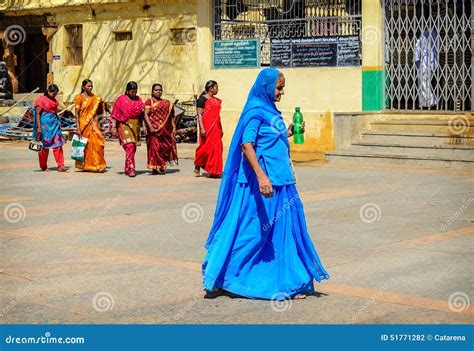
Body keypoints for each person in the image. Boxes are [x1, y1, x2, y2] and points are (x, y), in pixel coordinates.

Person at [202, 68, 329, 300]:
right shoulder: (255, 112)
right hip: (261, 187)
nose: (281, 93)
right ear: (266, 87)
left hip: (281, 182)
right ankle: (228, 277)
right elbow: (247, 145)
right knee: (252, 234)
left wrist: (289, 132)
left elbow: (270, 141)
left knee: (283, 234)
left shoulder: (271, 111)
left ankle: (288, 280)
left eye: (283, 88)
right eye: (278, 88)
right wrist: (261, 177)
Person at [110, 81, 145, 177]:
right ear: (127, 91)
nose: (134, 94)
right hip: (124, 125)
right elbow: (115, 115)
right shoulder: (121, 100)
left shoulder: (138, 99)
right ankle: (131, 169)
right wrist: (113, 127)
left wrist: (144, 126)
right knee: (129, 145)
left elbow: (142, 115)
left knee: (133, 148)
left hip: (135, 126)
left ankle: (127, 167)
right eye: (132, 92)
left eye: (135, 91)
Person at [143, 83, 178, 175]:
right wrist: (150, 126)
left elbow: (171, 116)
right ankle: (154, 167)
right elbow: (146, 114)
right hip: (153, 130)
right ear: (152, 91)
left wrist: (174, 127)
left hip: (164, 130)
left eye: (160, 90)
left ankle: (162, 165)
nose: (158, 92)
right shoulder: (149, 101)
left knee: (163, 147)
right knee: (154, 148)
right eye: (156, 90)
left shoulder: (166, 103)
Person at [74, 79, 107, 172]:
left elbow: (100, 110)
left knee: (98, 142)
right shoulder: (79, 98)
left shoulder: (96, 98)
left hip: (94, 123)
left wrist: (101, 123)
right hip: (83, 123)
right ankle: (87, 165)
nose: (90, 87)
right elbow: (76, 114)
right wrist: (78, 128)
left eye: (91, 86)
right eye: (88, 86)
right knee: (86, 145)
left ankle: (98, 164)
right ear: (83, 87)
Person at [33, 84, 68, 172]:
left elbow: (54, 112)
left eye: (56, 94)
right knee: (44, 147)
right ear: (48, 91)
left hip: (54, 125)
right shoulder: (41, 100)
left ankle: (61, 165)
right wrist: (39, 127)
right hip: (44, 127)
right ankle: (43, 165)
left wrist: (59, 122)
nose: (54, 95)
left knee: (58, 145)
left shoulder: (54, 100)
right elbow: (37, 114)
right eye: (53, 93)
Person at [194, 80, 223, 178]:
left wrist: (221, 128)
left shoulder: (216, 100)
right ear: (211, 88)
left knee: (217, 148)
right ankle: (198, 164)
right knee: (205, 148)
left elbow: (217, 116)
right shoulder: (202, 99)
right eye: (216, 87)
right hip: (206, 127)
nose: (217, 89)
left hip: (216, 128)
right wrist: (202, 128)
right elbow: (199, 115)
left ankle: (214, 171)